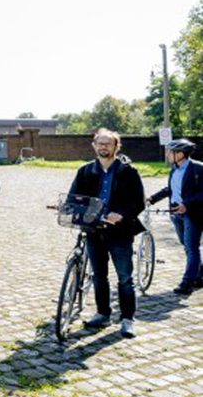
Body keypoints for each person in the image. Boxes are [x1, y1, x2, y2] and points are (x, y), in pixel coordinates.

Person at [69, 128, 144, 338]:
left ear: (116, 147)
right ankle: (103, 314)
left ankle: (128, 319)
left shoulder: (128, 171)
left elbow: (138, 201)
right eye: (99, 143)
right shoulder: (85, 171)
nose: (103, 147)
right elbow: (74, 197)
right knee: (99, 276)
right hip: (94, 232)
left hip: (119, 232)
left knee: (125, 278)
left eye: (108, 143)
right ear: (94, 146)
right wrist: (68, 208)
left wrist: (121, 214)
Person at [147, 138, 203, 294]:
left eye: (169, 151)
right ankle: (200, 274)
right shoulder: (174, 169)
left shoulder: (198, 168)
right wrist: (152, 199)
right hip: (175, 214)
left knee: (191, 248)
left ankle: (187, 283)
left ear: (180, 154)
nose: (167, 154)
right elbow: (170, 189)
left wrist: (188, 204)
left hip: (192, 214)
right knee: (187, 246)